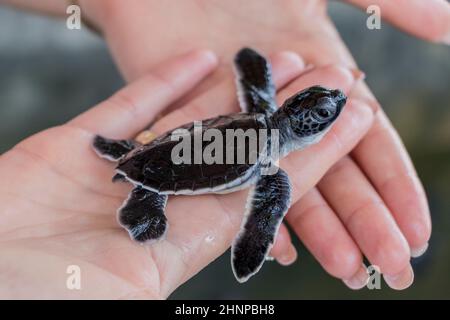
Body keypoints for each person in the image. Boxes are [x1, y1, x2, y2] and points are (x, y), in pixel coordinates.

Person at [1, 0, 447, 298]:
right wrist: (252, 245)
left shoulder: (261, 112)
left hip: (174, 142)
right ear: (301, 121)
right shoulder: (272, 171)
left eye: (328, 109)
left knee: (166, 154)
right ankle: (144, 196)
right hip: (170, 165)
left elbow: (253, 68)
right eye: (327, 110)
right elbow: (264, 216)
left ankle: (127, 155)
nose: (334, 107)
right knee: (176, 193)